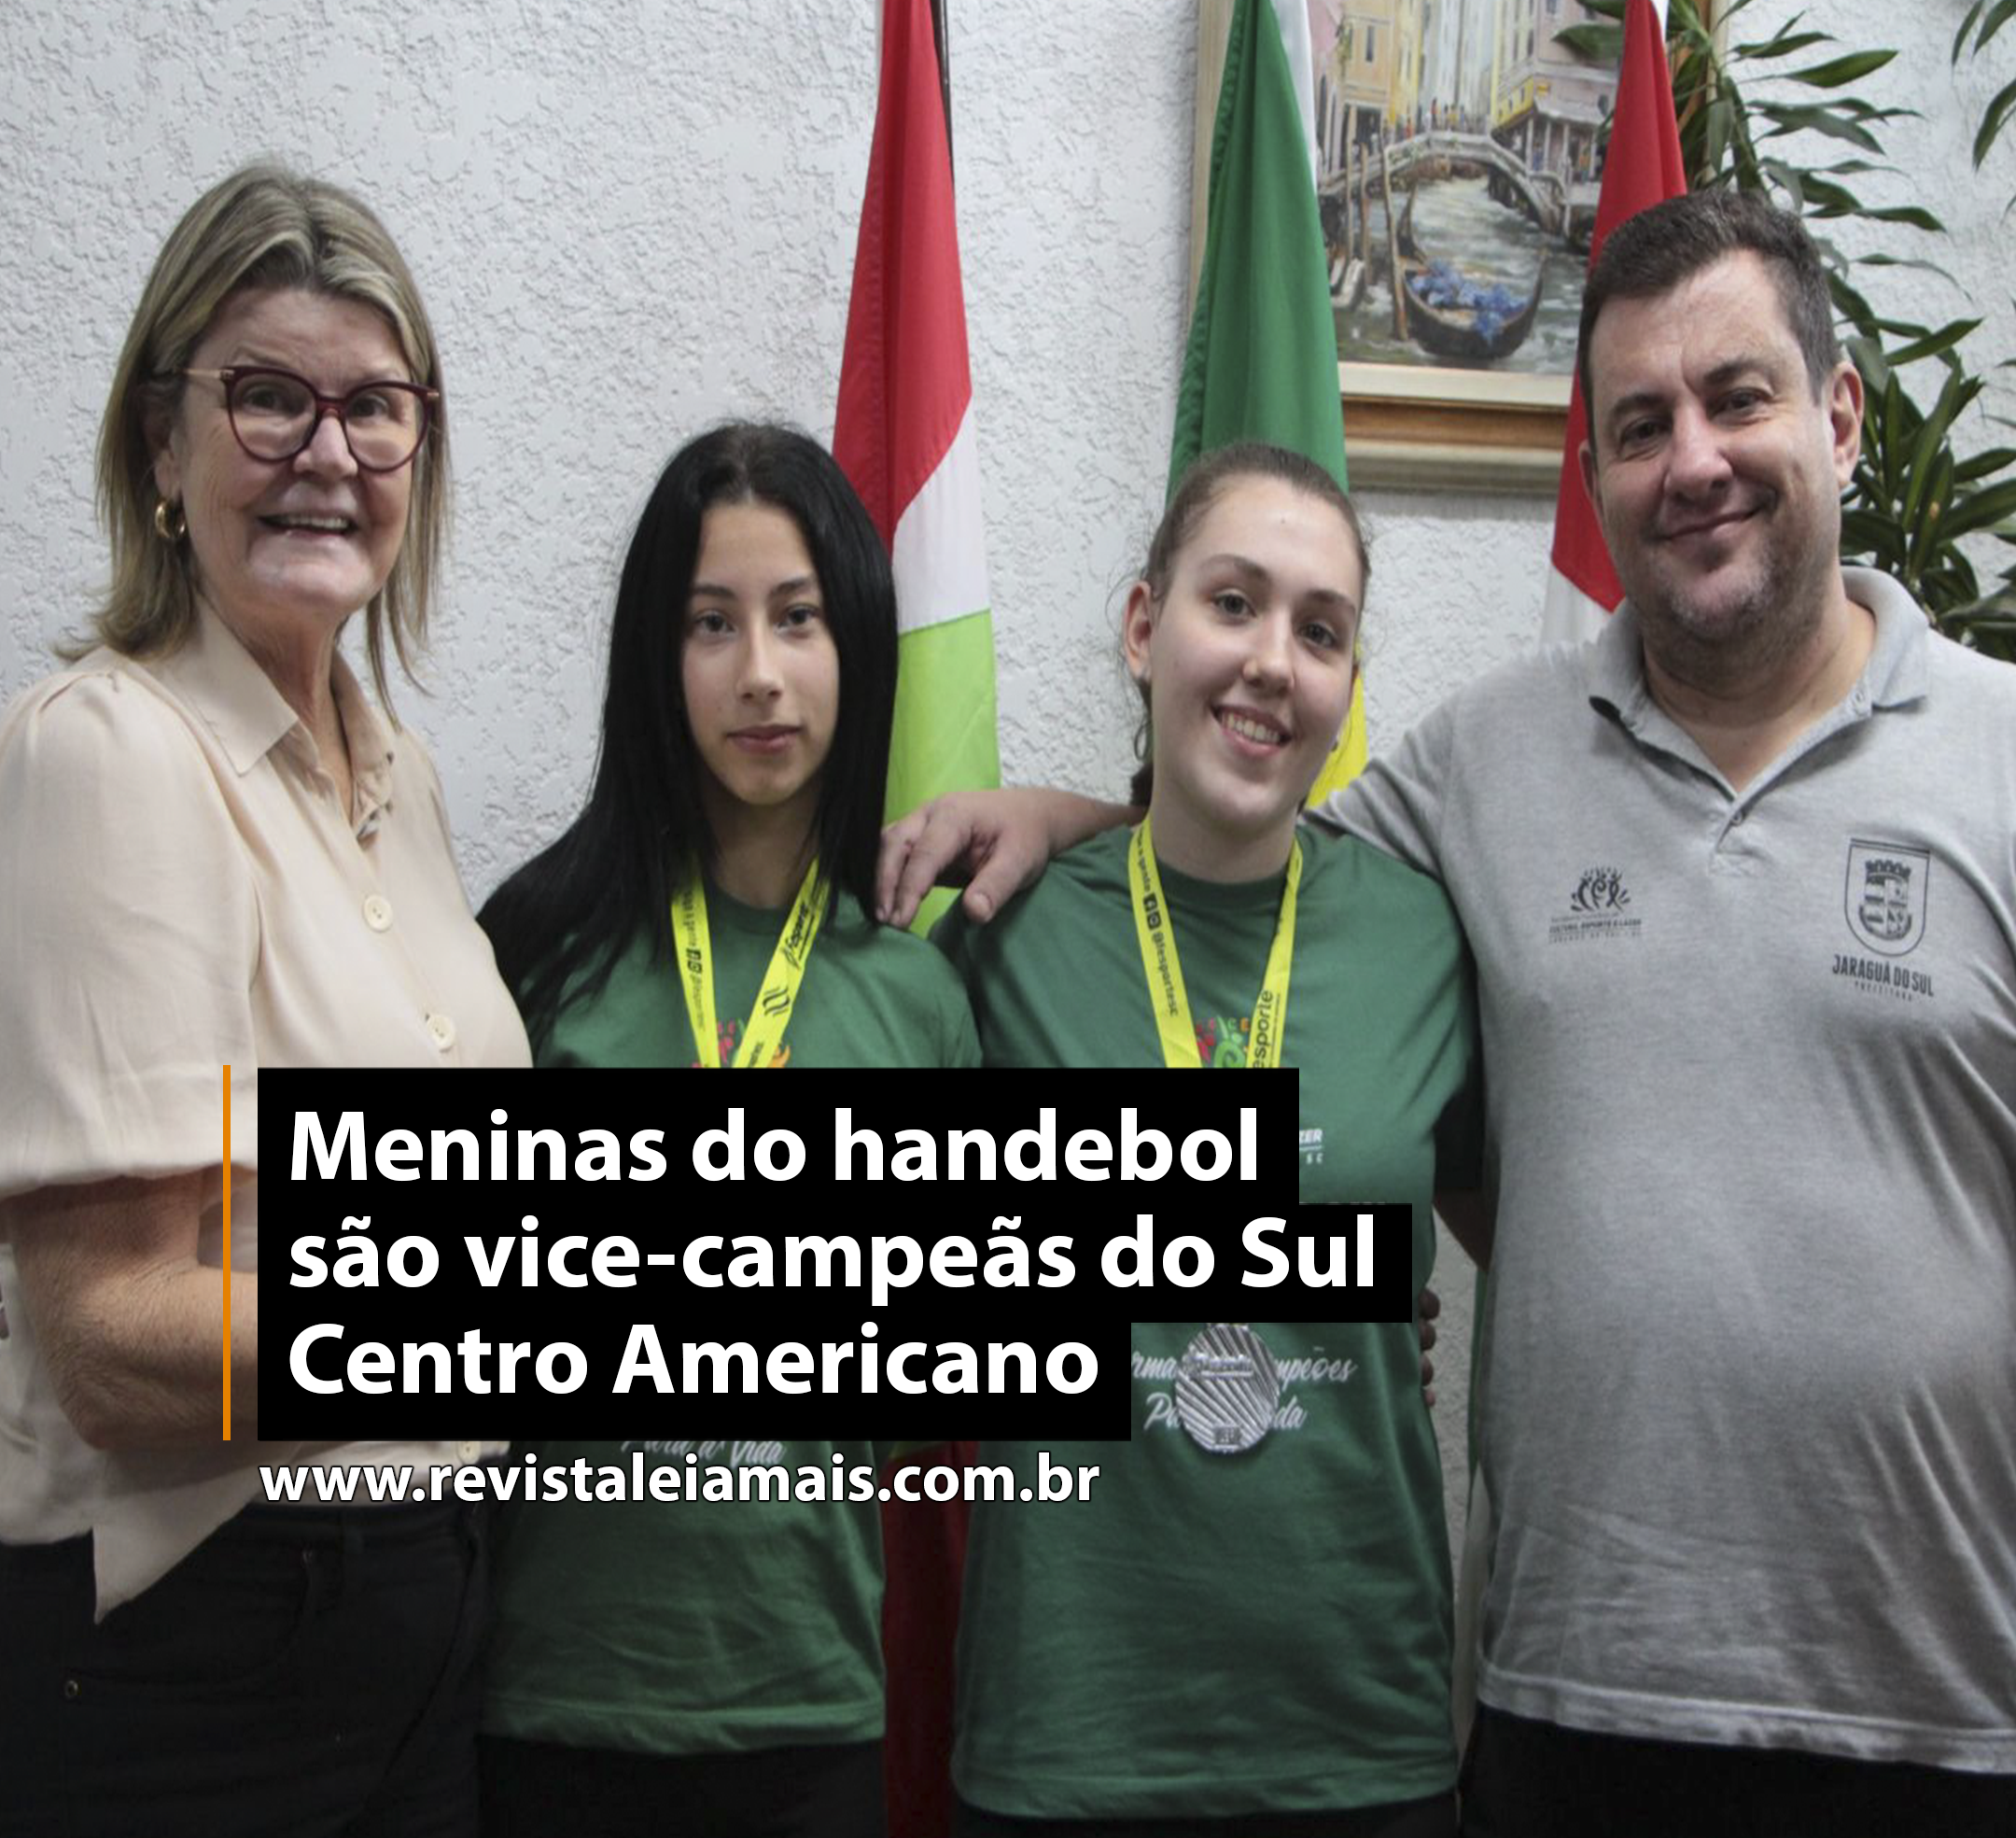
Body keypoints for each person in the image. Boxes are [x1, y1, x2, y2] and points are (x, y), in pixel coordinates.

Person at [879, 194, 2016, 1834]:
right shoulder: (1489, 768)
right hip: (1571, 1703)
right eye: (1638, 425)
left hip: (1939, 1711)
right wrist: (1061, 817)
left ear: (1837, 418)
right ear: (1599, 478)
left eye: (1737, 398)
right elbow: (1236, 847)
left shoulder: (1997, 751)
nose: (1690, 457)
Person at [0, 165, 529, 1838]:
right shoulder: (109, 755)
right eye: (267, 397)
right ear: (161, 446)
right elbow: (111, 1344)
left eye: (376, 409)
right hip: (206, 1666)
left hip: (418, 1614)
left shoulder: (402, 783)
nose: (327, 453)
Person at [934, 442, 1481, 1838]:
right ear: (1142, 626)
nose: (1270, 662)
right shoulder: (1006, 933)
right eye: (1230, 603)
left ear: (1349, 685)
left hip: (1355, 1735)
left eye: (1320, 630)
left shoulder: (1425, 939)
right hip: (1072, 1730)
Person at [474, 422, 978, 1838]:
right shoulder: (538, 949)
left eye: (799, 618)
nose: (760, 672)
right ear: (658, 655)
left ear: (858, 645)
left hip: (807, 1703)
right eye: (712, 623)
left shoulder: (917, 1000)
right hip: (549, 1697)